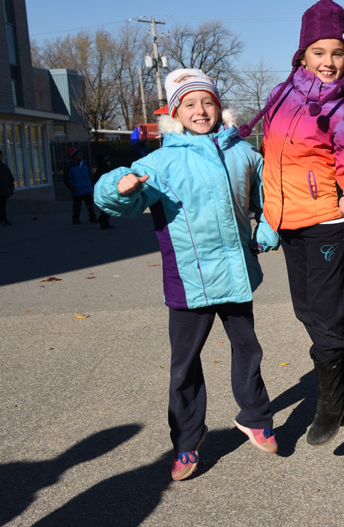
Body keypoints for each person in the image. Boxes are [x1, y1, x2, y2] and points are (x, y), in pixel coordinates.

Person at [94, 68, 280, 481]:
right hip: (188, 280)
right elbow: (117, 201)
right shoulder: (160, 161)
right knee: (185, 365)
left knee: (248, 349)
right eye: (190, 103)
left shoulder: (244, 153)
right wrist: (117, 187)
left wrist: (266, 231)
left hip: (235, 275)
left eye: (207, 101)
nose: (201, 110)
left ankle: (255, 415)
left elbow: (268, 197)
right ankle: (186, 442)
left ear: (219, 106)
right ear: (175, 112)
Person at [239, 0, 344, 448]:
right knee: (306, 310)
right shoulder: (279, 97)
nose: (328, 62)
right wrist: (263, 212)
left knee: (325, 317)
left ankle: (333, 400)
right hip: (288, 222)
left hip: (326, 220)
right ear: (302, 53)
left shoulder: (342, 108)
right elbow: (268, 157)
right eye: (319, 51)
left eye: (338, 53)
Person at [63, 147, 97, 224]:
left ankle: (92, 218)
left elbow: (89, 176)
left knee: (90, 205)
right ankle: (76, 219)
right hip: (77, 189)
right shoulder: (69, 167)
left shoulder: (85, 165)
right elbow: (67, 179)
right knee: (77, 206)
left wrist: (91, 185)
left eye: (81, 155)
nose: (81, 157)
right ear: (74, 156)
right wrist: (72, 187)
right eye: (79, 155)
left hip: (86, 188)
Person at [92, 153, 115, 229]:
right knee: (107, 208)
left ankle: (103, 221)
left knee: (106, 208)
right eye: (108, 161)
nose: (109, 162)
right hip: (105, 192)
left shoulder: (101, 170)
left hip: (103, 192)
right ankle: (103, 222)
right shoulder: (104, 170)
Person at [0, 149, 14, 225]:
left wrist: (11, 187)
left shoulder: (4, 166)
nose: (2, 156)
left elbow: (10, 177)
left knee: (2, 207)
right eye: (0, 155)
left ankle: (3, 219)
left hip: (3, 191)